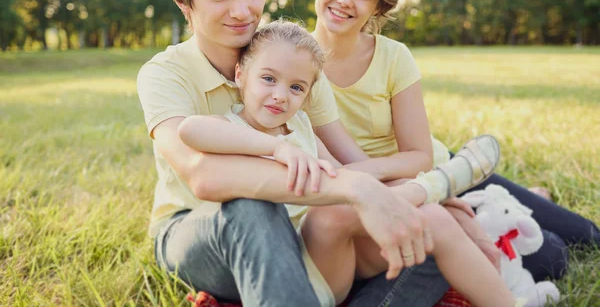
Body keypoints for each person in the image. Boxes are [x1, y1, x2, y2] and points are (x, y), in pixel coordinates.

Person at [137, 0, 453, 307]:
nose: (241, 11)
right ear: (185, 2)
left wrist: (416, 195)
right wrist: (352, 187)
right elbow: (204, 176)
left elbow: (345, 159)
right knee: (252, 206)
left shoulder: (291, 62)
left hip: (294, 224)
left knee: (431, 242)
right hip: (196, 231)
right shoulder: (164, 74)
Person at [308, 0, 600, 283]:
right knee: (549, 257)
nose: (345, 0)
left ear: (377, 6)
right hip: (390, 197)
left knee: (588, 237)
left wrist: (363, 174)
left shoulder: (393, 57)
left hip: (444, 175)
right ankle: (524, 199)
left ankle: (526, 197)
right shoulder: (290, 60)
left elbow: (419, 156)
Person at [177, 19, 525, 307]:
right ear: (240, 75)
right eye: (268, 79)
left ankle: (500, 294)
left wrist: (406, 194)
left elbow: (344, 176)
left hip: (333, 257)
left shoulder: (301, 127)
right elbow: (190, 130)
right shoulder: (231, 127)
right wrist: (277, 149)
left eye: (296, 88)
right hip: (293, 275)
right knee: (329, 210)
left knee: (432, 218)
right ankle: (431, 186)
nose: (280, 95)